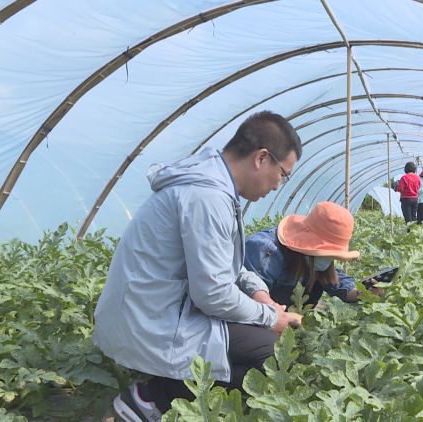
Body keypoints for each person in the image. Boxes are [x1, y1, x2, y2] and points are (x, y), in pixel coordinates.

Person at [93, 111, 304, 421]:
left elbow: (227, 266)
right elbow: (213, 295)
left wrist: (259, 293)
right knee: (271, 354)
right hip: (150, 321)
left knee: (258, 338)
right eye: (283, 175)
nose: (277, 186)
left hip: (156, 311)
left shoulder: (213, 185)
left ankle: (164, 385)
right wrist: (270, 316)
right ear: (262, 158)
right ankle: (149, 399)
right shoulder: (208, 196)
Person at [244, 201, 382, 307]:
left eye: (333, 256)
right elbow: (249, 302)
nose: (329, 261)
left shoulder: (316, 262)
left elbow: (336, 281)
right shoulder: (264, 250)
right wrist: (276, 317)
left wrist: (362, 293)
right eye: (327, 253)